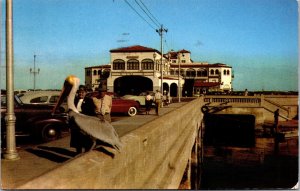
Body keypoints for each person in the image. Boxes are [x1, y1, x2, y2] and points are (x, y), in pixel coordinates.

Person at [70, 85, 96, 154]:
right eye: (79, 92)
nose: (81, 94)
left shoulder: (89, 101)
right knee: (78, 143)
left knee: (86, 142)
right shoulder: (75, 100)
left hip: (85, 125)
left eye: (82, 92)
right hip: (76, 125)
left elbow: (92, 114)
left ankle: (85, 156)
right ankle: (78, 155)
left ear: (85, 92)